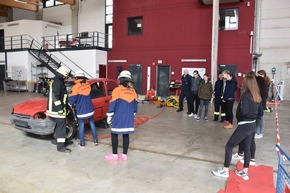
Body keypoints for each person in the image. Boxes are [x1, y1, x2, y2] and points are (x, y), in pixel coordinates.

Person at [212, 74, 264, 181]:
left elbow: (244, 111)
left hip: (244, 125)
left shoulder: (245, 96)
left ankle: (225, 170)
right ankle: (245, 172)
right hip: (252, 125)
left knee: (229, 146)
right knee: (247, 147)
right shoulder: (257, 95)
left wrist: (238, 115)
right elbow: (260, 113)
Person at [105, 70, 138, 161]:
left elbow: (113, 104)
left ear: (120, 80)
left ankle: (115, 155)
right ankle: (124, 155)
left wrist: (109, 115)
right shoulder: (133, 91)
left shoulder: (117, 90)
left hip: (118, 117)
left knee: (114, 134)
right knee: (125, 134)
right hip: (128, 117)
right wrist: (133, 113)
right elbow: (135, 104)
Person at [68, 70, 98, 148]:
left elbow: (72, 99)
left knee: (81, 126)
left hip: (81, 110)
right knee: (92, 123)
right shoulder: (88, 84)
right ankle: (95, 140)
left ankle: (82, 143)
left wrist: (69, 103)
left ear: (76, 77)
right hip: (90, 109)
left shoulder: (76, 87)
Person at [46, 66, 72, 153]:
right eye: (66, 75)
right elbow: (55, 97)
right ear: (64, 74)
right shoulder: (58, 82)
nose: (67, 77)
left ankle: (59, 141)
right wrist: (60, 109)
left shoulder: (57, 80)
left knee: (59, 125)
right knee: (61, 126)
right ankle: (60, 147)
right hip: (56, 111)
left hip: (55, 109)